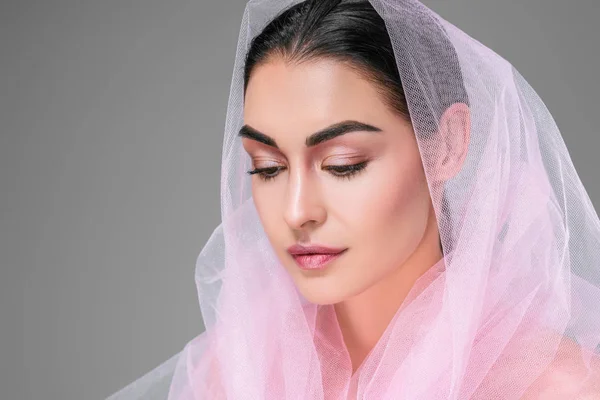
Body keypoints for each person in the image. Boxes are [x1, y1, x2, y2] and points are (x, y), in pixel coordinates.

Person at [108, 0, 600, 398]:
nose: (297, 211)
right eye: (268, 167)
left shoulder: (553, 387)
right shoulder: (236, 371)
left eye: (344, 163)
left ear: (447, 144)